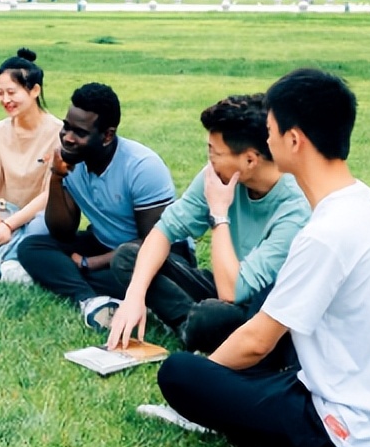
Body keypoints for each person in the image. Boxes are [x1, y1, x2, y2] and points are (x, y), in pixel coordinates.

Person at [144, 69, 370, 447]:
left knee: (180, 373)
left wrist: (206, 382)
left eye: (269, 131)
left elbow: (257, 342)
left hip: (351, 432)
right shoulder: (369, 203)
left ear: (294, 140)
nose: (264, 142)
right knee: (259, 317)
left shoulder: (327, 232)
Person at [105, 94, 310, 355]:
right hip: (224, 281)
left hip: (260, 307)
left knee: (212, 315)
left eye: (215, 152)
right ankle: (191, 328)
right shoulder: (216, 176)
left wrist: (219, 213)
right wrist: (134, 296)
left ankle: (191, 326)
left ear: (250, 160)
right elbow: (163, 230)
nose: (209, 159)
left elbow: (233, 292)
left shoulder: (296, 209)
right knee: (128, 258)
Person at [15, 83, 178, 329]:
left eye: (79, 132)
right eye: (66, 127)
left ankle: (79, 283)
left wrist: (89, 263)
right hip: (103, 242)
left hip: (152, 256)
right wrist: (57, 177)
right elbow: (62, 231)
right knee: (31, 247)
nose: (67, 138)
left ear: (107, 136)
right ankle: (90, 300)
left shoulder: (142, 167)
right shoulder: (71, 160)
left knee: (135, 275)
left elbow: (155, 241)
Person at [0, 48, 61, 283]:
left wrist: (8, 225)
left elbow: (48, 195)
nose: (5, 100)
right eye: (0, 93)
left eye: (12, 92)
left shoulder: (58, 134)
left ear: (35, 90)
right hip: (5, 210)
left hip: (39, 216)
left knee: (38, 230)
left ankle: (12, 263)